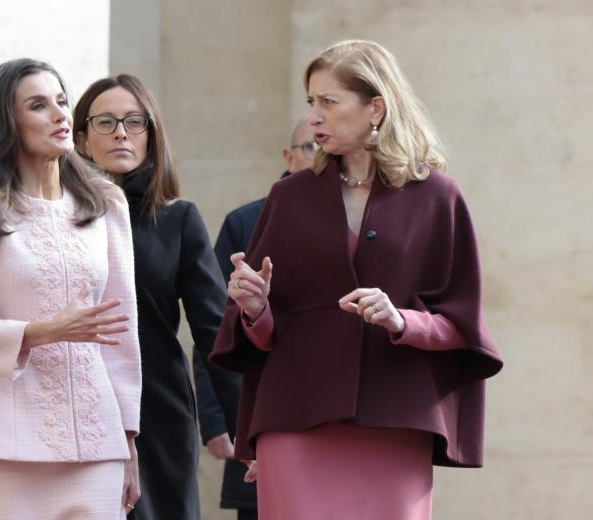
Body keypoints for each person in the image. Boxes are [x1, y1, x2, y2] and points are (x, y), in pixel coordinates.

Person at [210, 39, 503, 520]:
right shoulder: (289, 197)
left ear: (376, 108)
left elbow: (463, 323)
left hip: (394, 420)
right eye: (311, 103)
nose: (315, 117)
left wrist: (401, 320)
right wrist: (254, 308)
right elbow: (261, 334)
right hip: (294, 417)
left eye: (329, 101)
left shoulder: (438, 199)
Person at [0, 58, 141, 520]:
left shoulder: (106, 201)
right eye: (38, 105)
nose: (60, 115)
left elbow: (122, 337)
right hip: (5, 443)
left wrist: (128, 440)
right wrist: (41, 331)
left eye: (62, 102)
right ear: (6, 121)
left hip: (98, 441)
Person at [74, 74, 237, 520]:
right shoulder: (55, 218)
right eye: (105, 122)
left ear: (151, 134)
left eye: (134, 121)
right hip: (74, 402)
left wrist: (246, 426)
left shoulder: (177, 219)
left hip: (158, 410)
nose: (121, 132)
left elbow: (214, 331)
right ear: (82, 139)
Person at [192, 118, 315, 520]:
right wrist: (213, 419)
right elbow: (212, 324)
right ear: (289, 156)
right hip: (258, 412)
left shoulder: (358, 219)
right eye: (309, 147)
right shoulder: (246, 222)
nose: (319, 158)